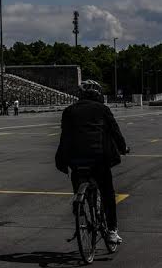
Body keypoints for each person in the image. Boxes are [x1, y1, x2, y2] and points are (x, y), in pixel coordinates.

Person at [55, 80, 129, 244]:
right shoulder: (103, 109)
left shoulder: (69, 111)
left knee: (78, 184)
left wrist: (62, 160)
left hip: (76, 159)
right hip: (99, 158)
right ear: (98, 95)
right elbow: (115, 132)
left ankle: (79, 211)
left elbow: (64, 137)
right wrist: (123, 148)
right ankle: (111, 230)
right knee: (108, 193)